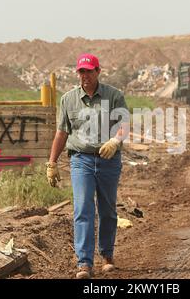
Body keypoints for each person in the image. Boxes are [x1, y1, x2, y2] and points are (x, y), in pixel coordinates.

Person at [46, 53, 129, 279]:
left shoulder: (113, 96)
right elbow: (62, 133)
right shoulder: (68, 99)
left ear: (98, 72)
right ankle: (84, 263)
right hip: (81, 160)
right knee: (83, 209)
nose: (85, 76)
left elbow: (125, 125)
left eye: (89, 71)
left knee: (108, 210)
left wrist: (115, 140)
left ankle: (107, 255)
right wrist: (52, 162)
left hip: (108, 160)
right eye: (81, 72)